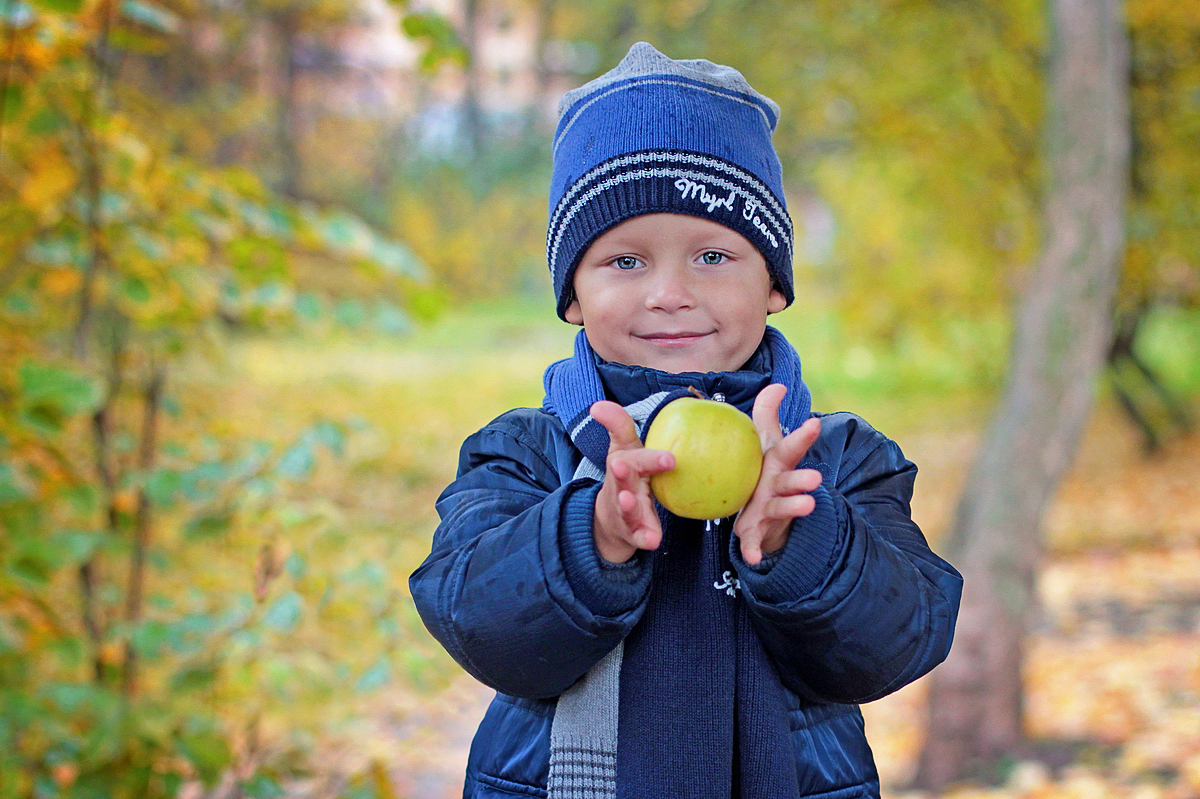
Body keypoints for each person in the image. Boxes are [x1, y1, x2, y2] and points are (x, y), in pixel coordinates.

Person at [409, 42, 962, 799]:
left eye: (712, 255)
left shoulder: (832, 459)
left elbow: (898, 643)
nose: (669, 292)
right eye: (626, 261)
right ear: (572, 295)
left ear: (774, 282)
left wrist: (801, 538)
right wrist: (590, 535)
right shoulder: (527, 452)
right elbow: (478, 623)